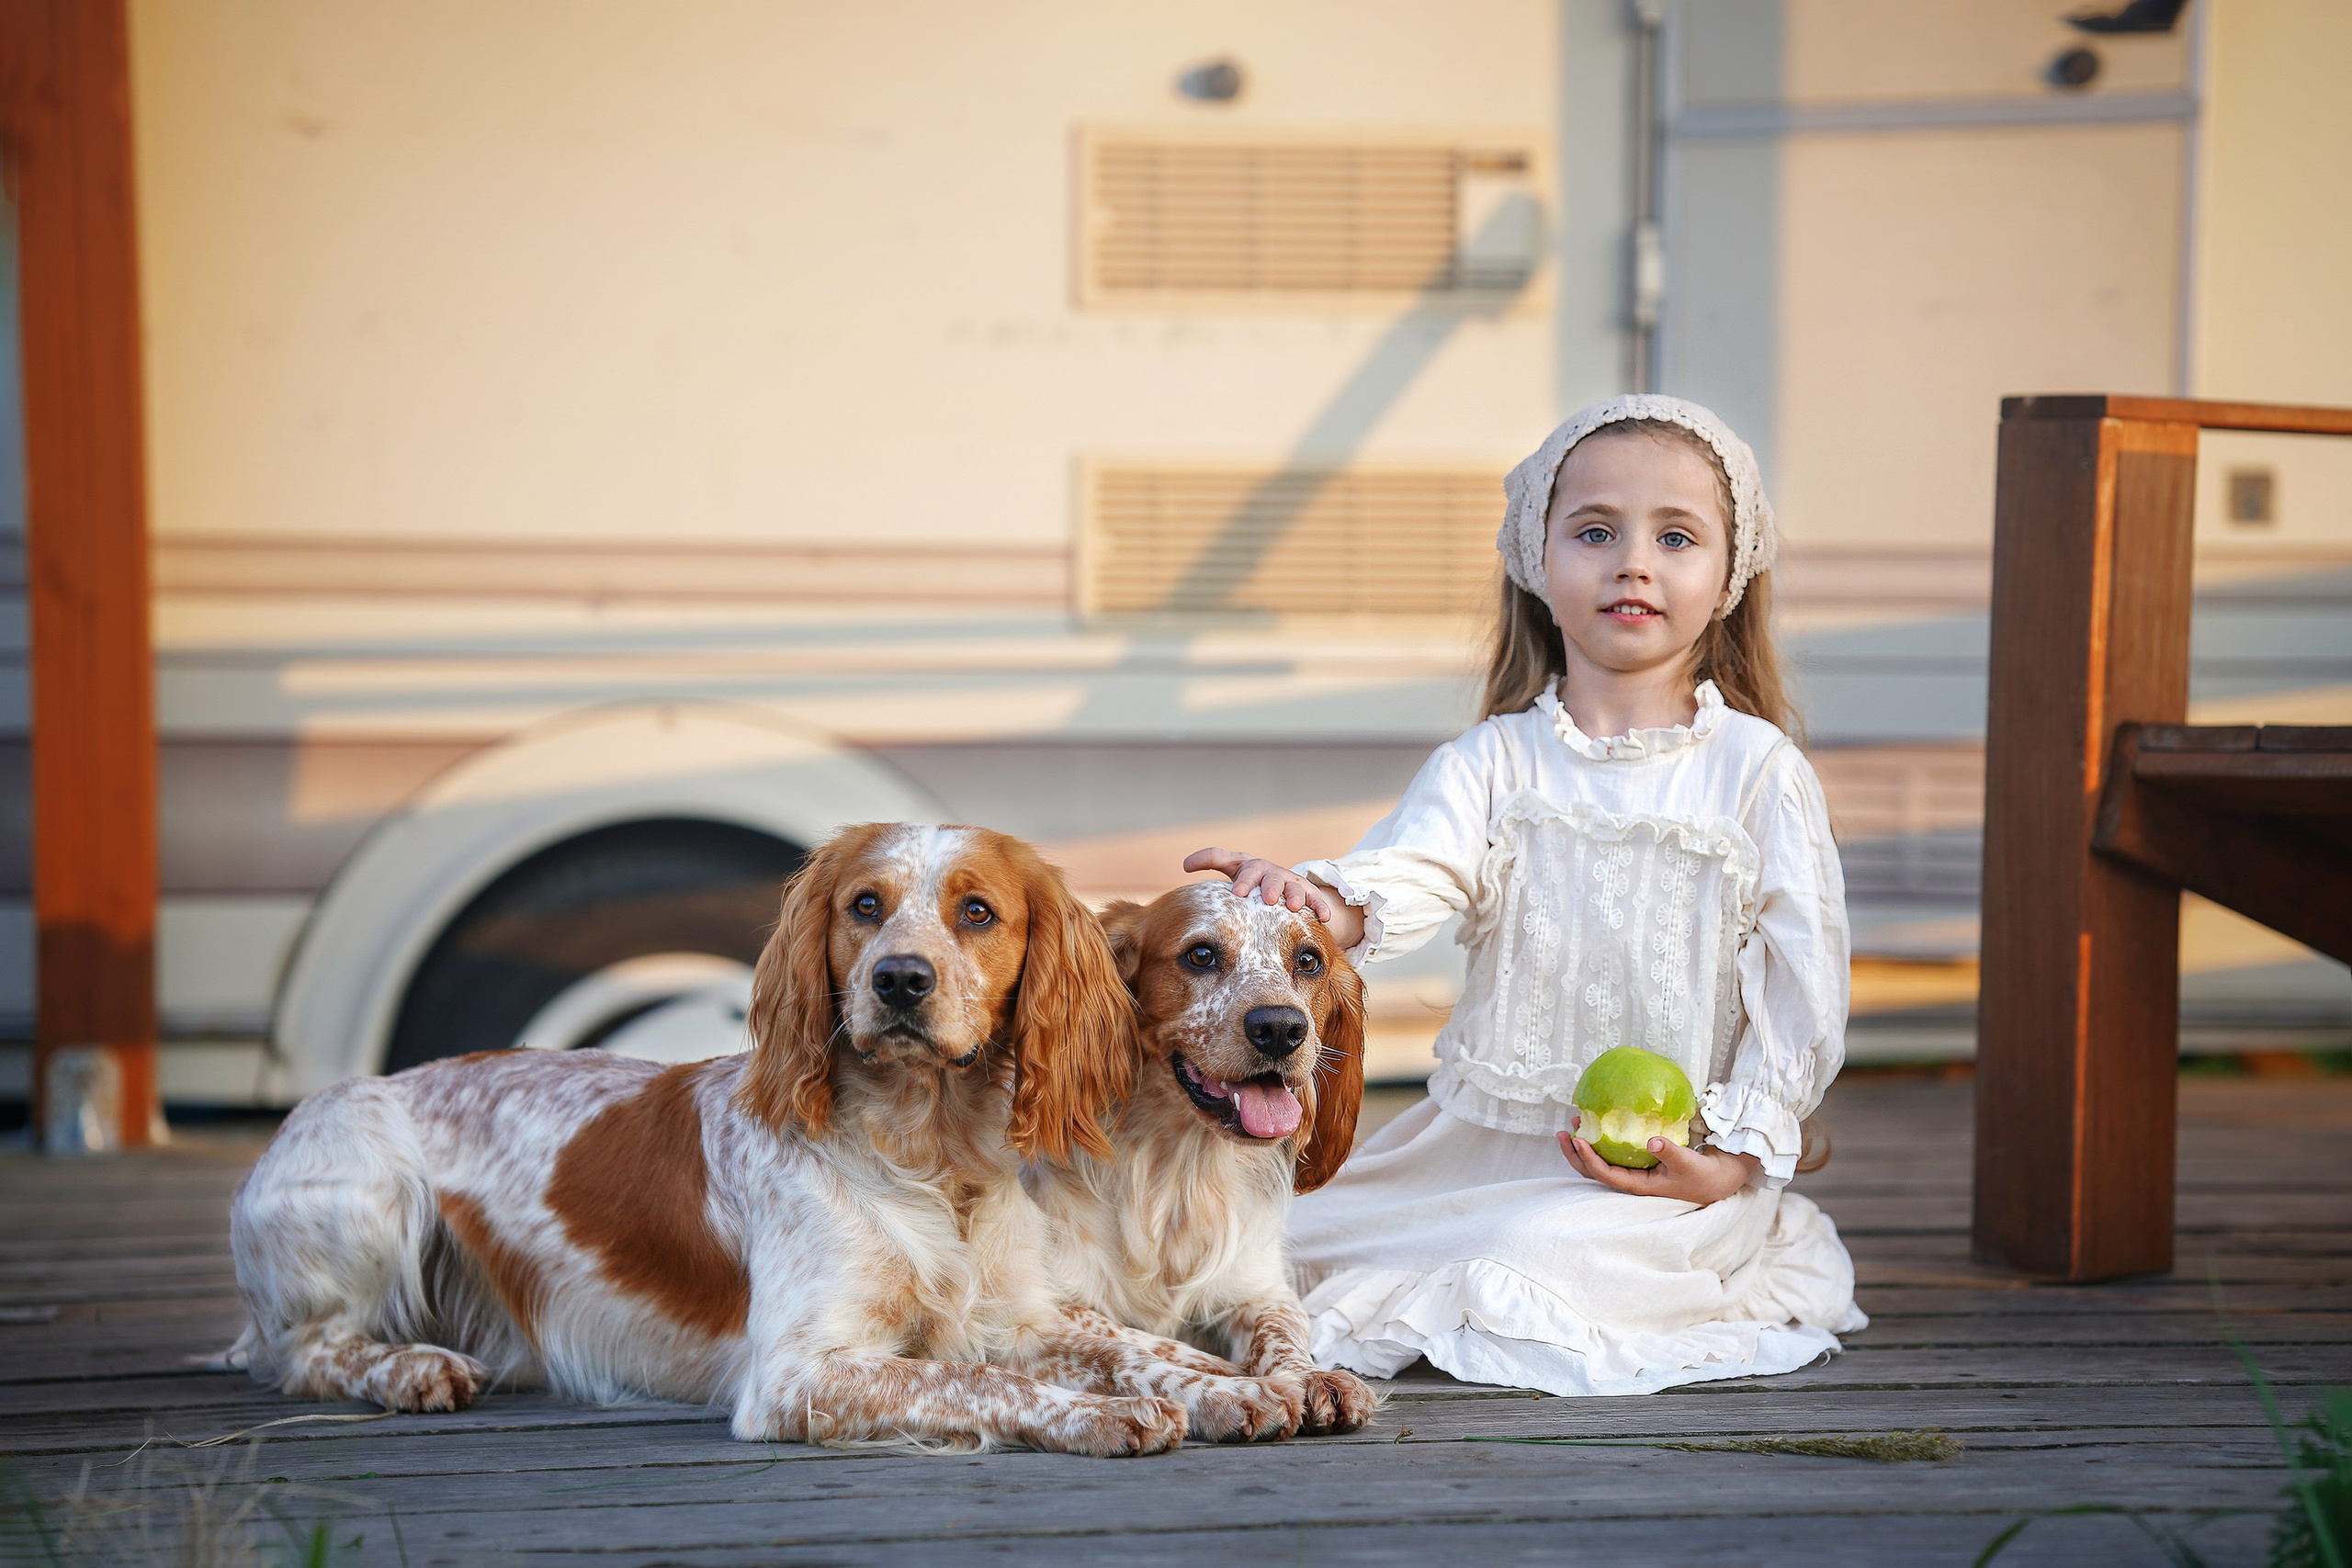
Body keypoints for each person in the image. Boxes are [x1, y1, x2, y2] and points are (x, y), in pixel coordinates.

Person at [1185, 395, 1865, 1397]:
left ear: (1728, 575)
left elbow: (1803, 986)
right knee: (1278, 1234)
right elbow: (1415, 866)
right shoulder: (1494, 761)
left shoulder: (1756, 773)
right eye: (1595, 531)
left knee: (1529, 1254)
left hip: (1660, 1175)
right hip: (1482, 1152)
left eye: (1675, 536)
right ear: (1537, 560)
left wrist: (1733, 1160)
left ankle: (1594, 1256)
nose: (1633, 560)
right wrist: (1320, 903)